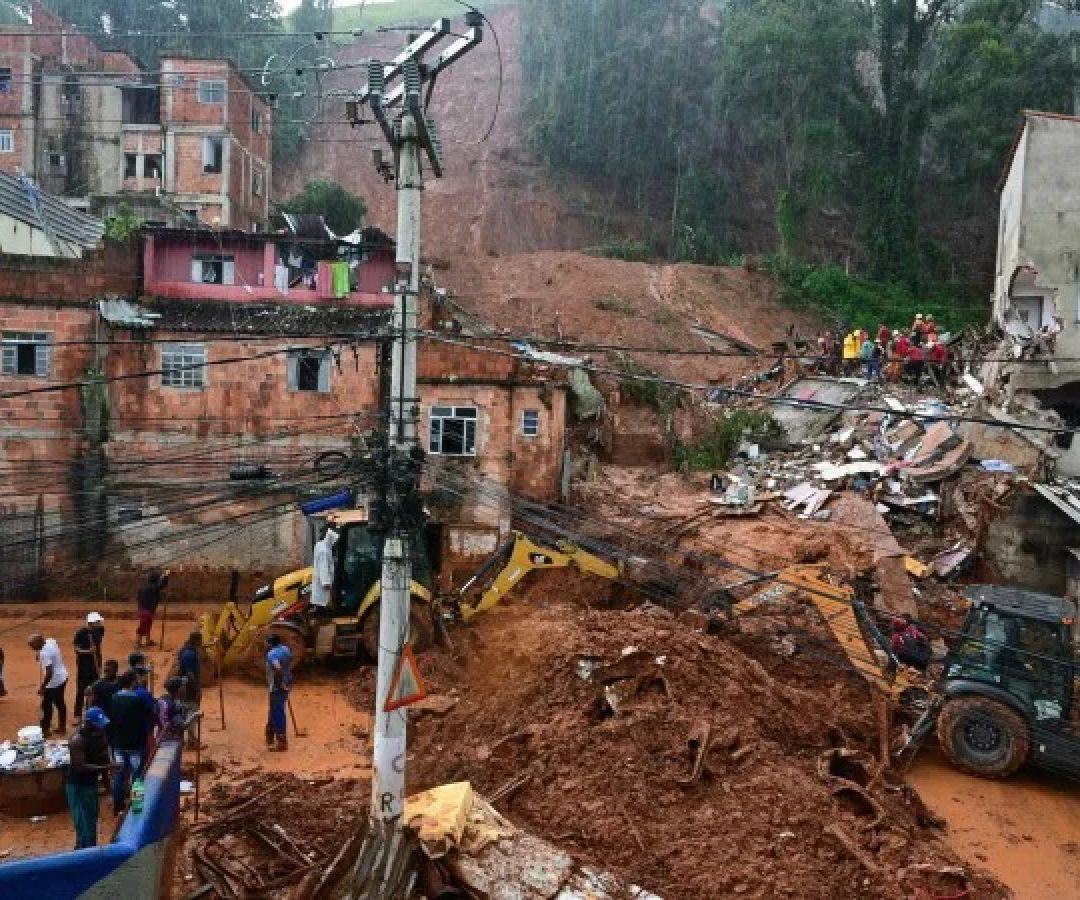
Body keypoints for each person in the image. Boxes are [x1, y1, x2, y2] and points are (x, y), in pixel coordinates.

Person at [66, 706, 113, 849]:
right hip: (77, 785)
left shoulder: (100, 735)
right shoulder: (77, 741)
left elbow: (104, 757)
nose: (101, 728)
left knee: (91, 820)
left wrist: (108, 786)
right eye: (98, 725)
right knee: (82, 822)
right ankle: (82, 850)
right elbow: (81, 767)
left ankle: (89, 848)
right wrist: (107, 768)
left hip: (91, 784)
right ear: (88, 723)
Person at [110, 671, 155, 814]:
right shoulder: (138, 700)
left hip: (118, 743)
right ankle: (137, 805)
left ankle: (118, 806)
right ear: (132, 682)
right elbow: (149, 715)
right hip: (136, 744)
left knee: (119, 774)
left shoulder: (114, 698)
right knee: (137, 775)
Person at [29, 634, 68, 736]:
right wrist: (38, 653)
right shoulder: (50, 641)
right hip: (63, 677)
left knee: (46, 705)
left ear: (39, 643)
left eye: (33, 646)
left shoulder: (44, 653)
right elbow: (54, 641)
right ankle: (62, 727)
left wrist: (43, 687)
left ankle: (45, 730)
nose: (32, 648)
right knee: (60, 703)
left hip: (54, 682)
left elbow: (49, 672)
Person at [73, 612, 105, 723]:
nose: (100, 623)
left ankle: (92, 713)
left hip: (96, 665)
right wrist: (87, 651)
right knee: (81, 690)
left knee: (95, 689)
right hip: (84, 666)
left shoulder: (100, 630)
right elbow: (76, 649)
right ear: (91, 623)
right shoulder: (80, 633)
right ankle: (77, 715)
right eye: (98, 622)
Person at [265, 634, 293, 753]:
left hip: (277, 687)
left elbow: (277, 668)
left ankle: (282, 742)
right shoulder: (285, 649)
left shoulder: (272, 654)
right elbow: (289, 660)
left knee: (278, 711)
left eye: (266, 642)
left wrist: (281, 682)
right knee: (273, 709)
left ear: (270, 643)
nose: (264, 644)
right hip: (288, 681)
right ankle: (270, 733)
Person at [176, 632, 203, 748]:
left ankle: (185, 739)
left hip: (185, 686)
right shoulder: (189, 654)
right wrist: (197, 688)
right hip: (189, 688)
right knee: (191, 712)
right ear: (197, 641)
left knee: (185, 711)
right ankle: (191, 741)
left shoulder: (185, 650)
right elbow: (190, 673)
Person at [87, 659, 121, 743]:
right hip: (103, 718)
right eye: (105, 671)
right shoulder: (97, 685)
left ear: (115, 671)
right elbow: (90, 704)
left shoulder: (121, 682)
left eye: (109, 671)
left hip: (117, 718)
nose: (106, 673)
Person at [135, 570, 169, 649]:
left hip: (143, 609)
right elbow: (162, 585)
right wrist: (166, 576)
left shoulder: (144, 587)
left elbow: (139, 597)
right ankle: (138, 643)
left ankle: (147, 641)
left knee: (147, 626)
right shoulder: (153, 587)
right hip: (147, 610)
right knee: (143, 626)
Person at [310, 528, 339, 613]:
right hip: (322, 588)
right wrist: (327, 585)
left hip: (319, 586)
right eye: (334, 540)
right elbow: (324, 569)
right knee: (322, 608)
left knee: (320, 606)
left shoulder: (320, 545)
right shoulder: (324, 551)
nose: (335, 543)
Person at [157, 677, 186, 741]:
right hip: (171, 739)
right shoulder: (175, 706)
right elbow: (182, 725)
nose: (184, 689)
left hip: (159, 735)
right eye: (182, 686)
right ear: (178, 690)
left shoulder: (162, 698)